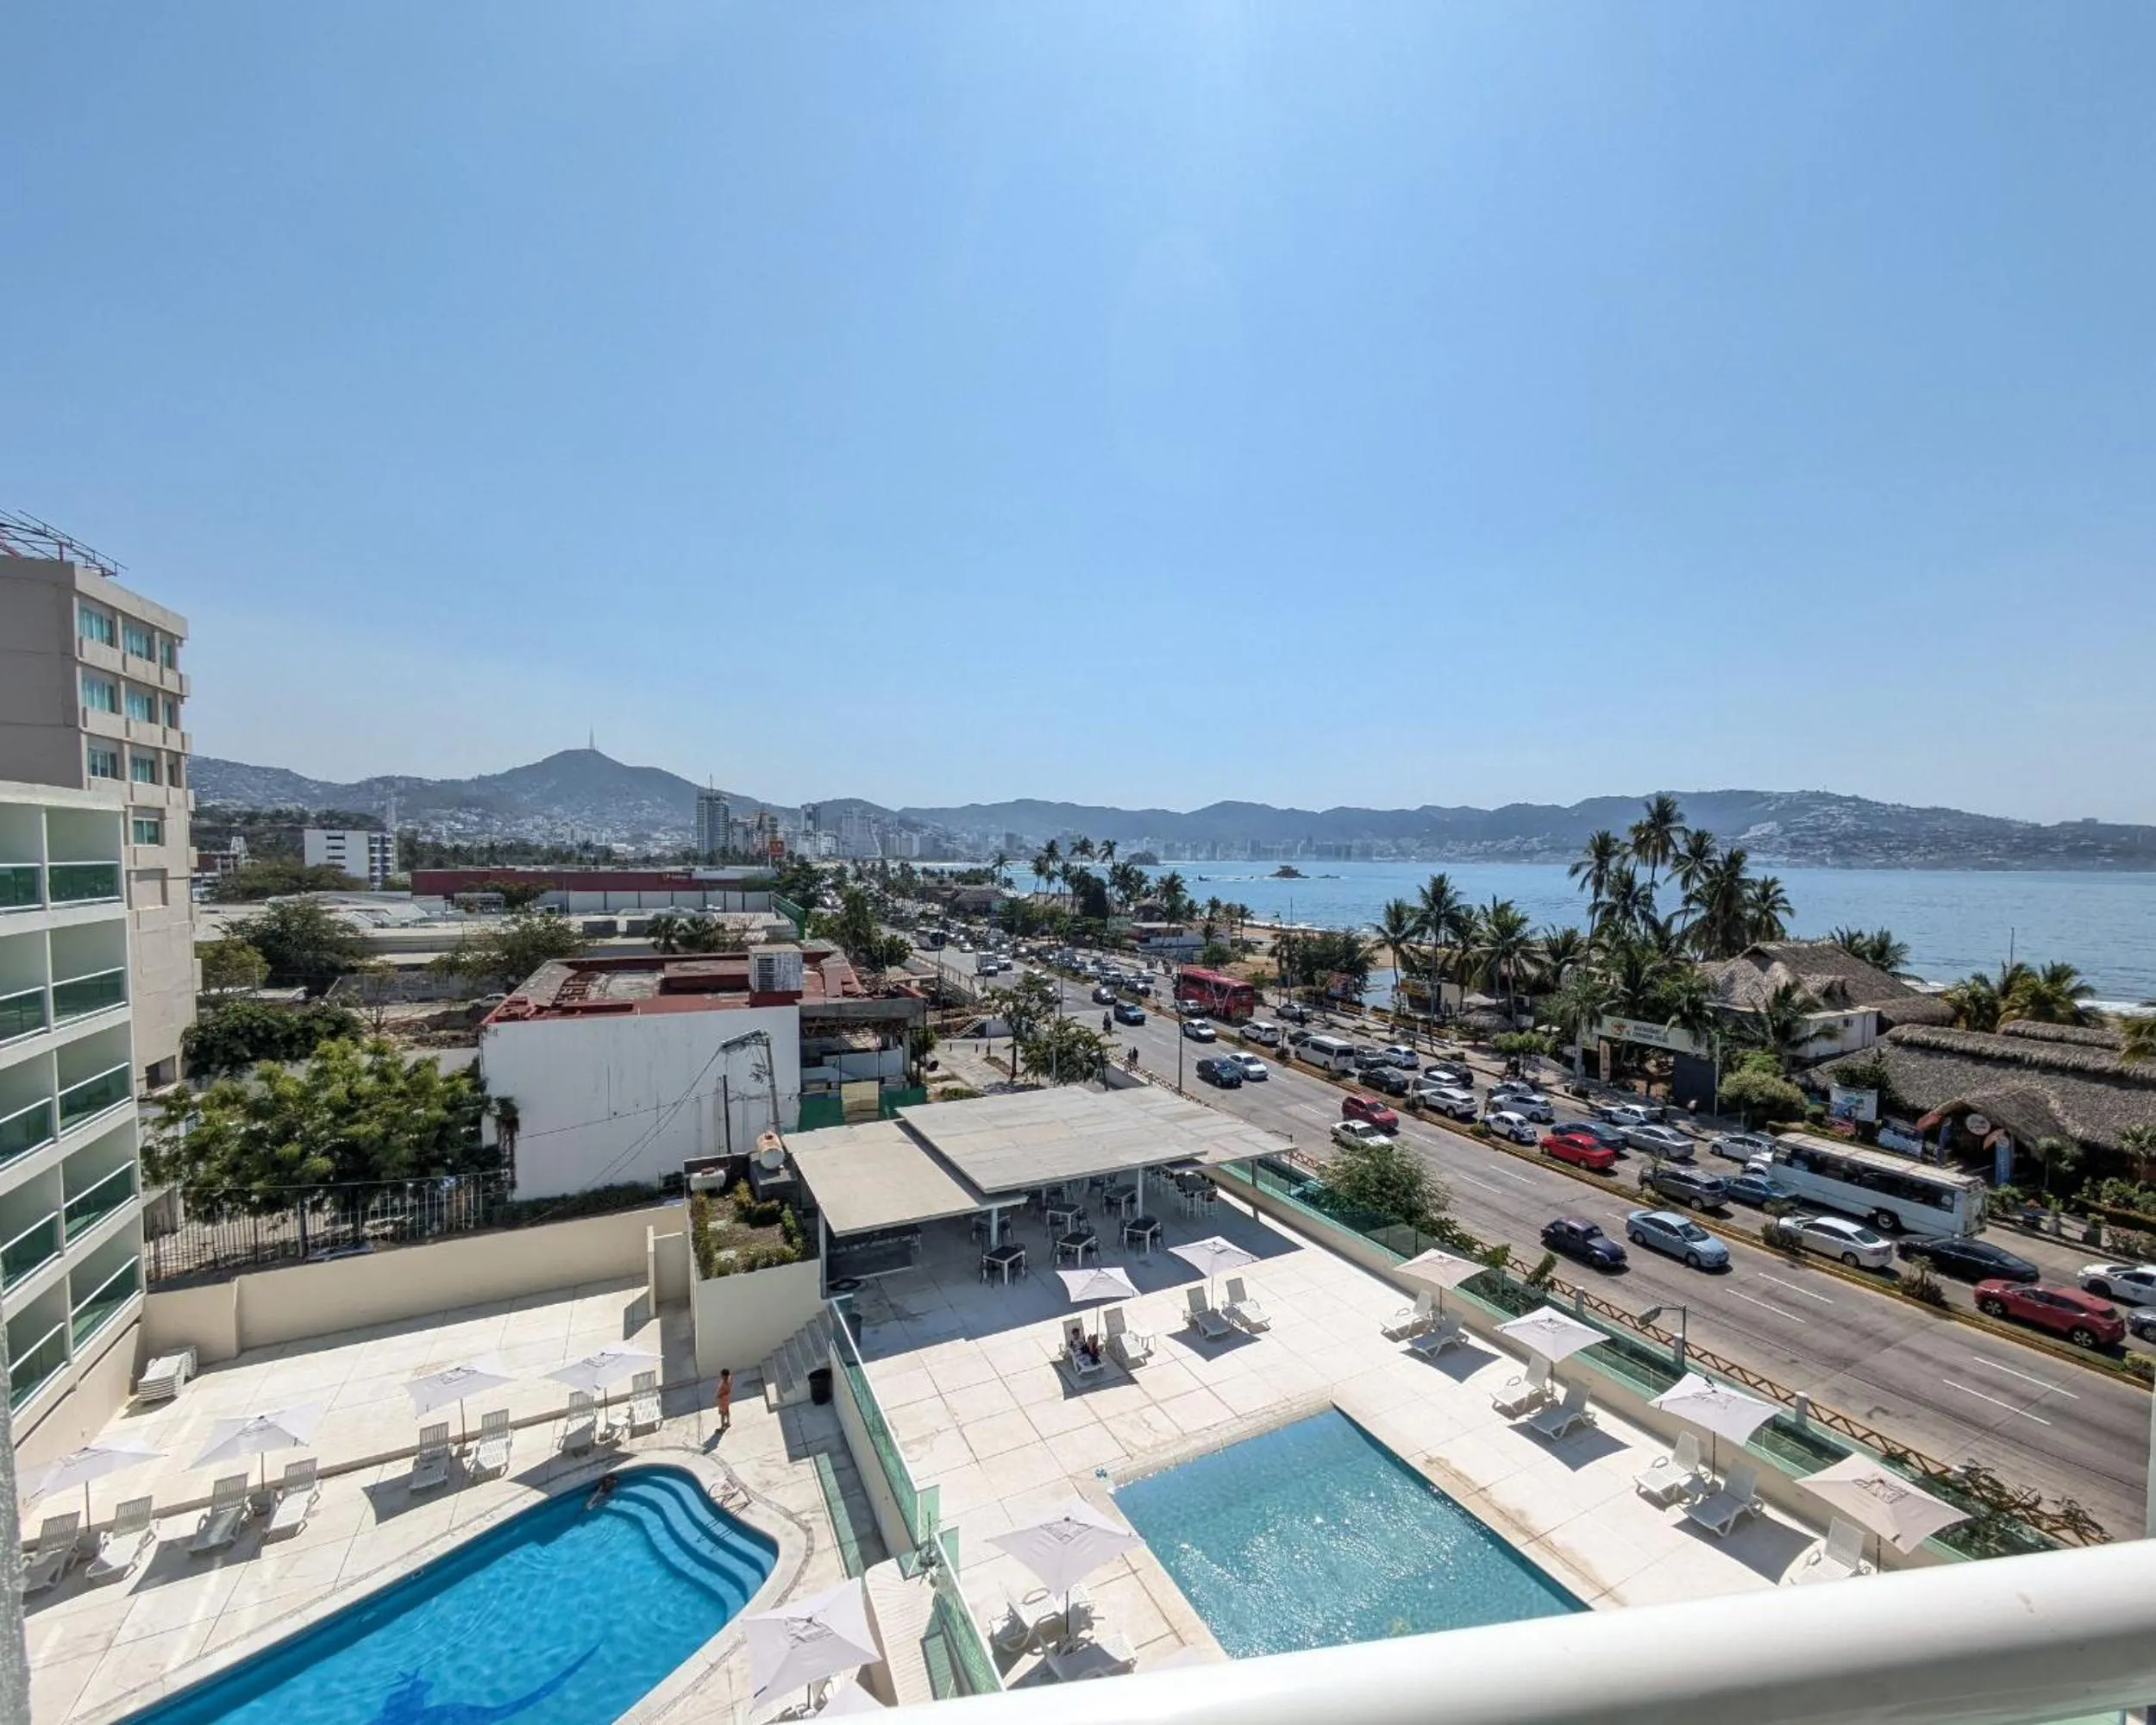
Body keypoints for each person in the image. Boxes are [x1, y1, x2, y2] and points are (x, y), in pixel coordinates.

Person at [716, 1367, 733, 1433]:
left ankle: (722, 1428)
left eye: (722, 1375)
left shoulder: (724, 1383)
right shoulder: (730, 1378)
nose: (721, 1376)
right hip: (727, 1398)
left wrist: (719, 1396)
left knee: (722, 1413)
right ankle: (728, 1423)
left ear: (725, 1376)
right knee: (727, 1410)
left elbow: (723, 1391)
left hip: (723, 1399)